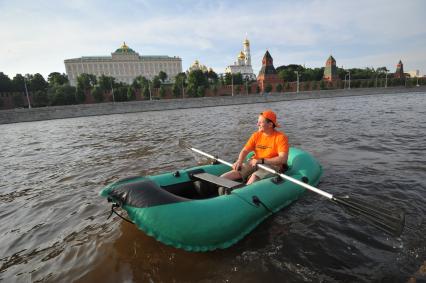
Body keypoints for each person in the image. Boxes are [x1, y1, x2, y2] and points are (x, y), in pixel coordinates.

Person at [221, 110, 289, 187]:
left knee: (254, 176)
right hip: (255, 162)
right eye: (258, 122)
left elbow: (283, 159)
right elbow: (245, 150)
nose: (257, 124)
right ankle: (216, 184)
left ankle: (242, 192)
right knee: (235, 173)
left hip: (272, 165)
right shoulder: (256, 135)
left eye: (261, 122)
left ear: (270, 124)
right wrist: (239, 161)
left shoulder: (281, 137)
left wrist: (261, 161)